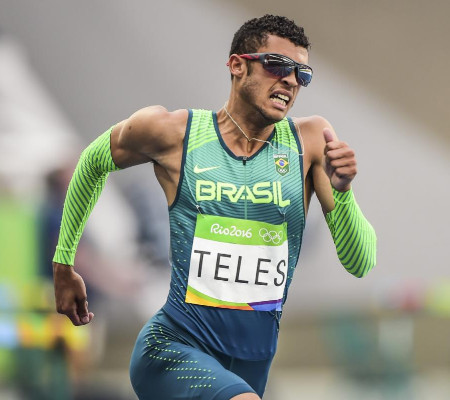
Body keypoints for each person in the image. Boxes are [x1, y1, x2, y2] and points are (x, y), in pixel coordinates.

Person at [52, 14, 377, 400]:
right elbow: (92, 162)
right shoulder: (173, 133)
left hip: (251, 364)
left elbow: (360, 263)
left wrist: (343, 191)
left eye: (301, 74)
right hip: (174, 348)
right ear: (238, 65)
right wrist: (64, 264)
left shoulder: (310, 141)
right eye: (278, 65)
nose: (291, 80)